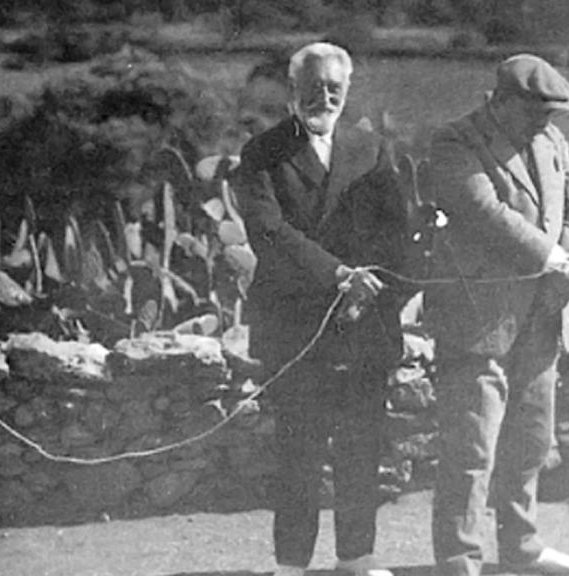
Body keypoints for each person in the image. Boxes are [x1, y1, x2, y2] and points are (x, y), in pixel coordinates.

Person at [232, 42, 405, 576]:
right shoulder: (261, 153)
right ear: (292, 91)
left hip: (365, 329)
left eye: (334, 87)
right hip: (295, 332)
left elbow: (395, 231)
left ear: (347, 91)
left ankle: (356, 560)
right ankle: (292, 566)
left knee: (360, 454)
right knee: (299, 460)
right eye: (312, 87)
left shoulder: (372, 149)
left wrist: (372, 289)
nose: (323, 97)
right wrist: (339, 276)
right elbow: (269, 233)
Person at [425, 54, 569, 576]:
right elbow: (482, 211)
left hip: (542, 318)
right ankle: (459, 560)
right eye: (535, 114)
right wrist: (554, 259)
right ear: (500, 101)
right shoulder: (456, 141)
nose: (544, 126)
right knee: (471, 451)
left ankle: (521, 548)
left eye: (551, 117)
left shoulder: (552, 141)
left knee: (530, 443)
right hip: (479, 321)